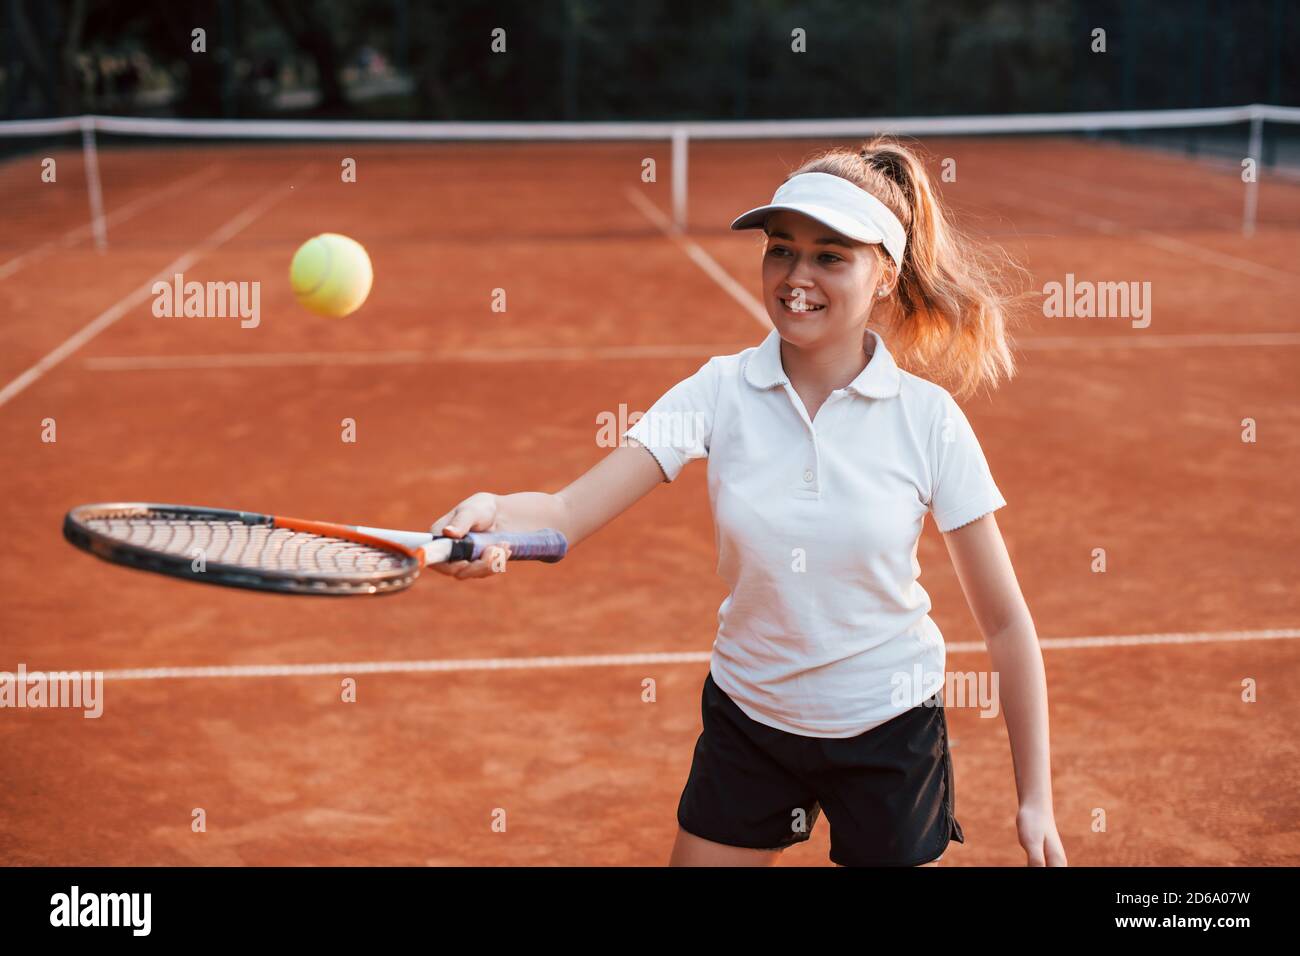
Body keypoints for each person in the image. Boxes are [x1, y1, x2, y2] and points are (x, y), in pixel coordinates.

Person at [432, 137, 1067, 867]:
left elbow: (1005, 621)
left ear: (885, 274)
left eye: (831, 255)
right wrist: (495, 519)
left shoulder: (928, 421)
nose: (796, 276)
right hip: (752, 719)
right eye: (781, 249)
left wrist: (1036, 797)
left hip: (889, 726)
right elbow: (568, 513)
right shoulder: (718, 390)